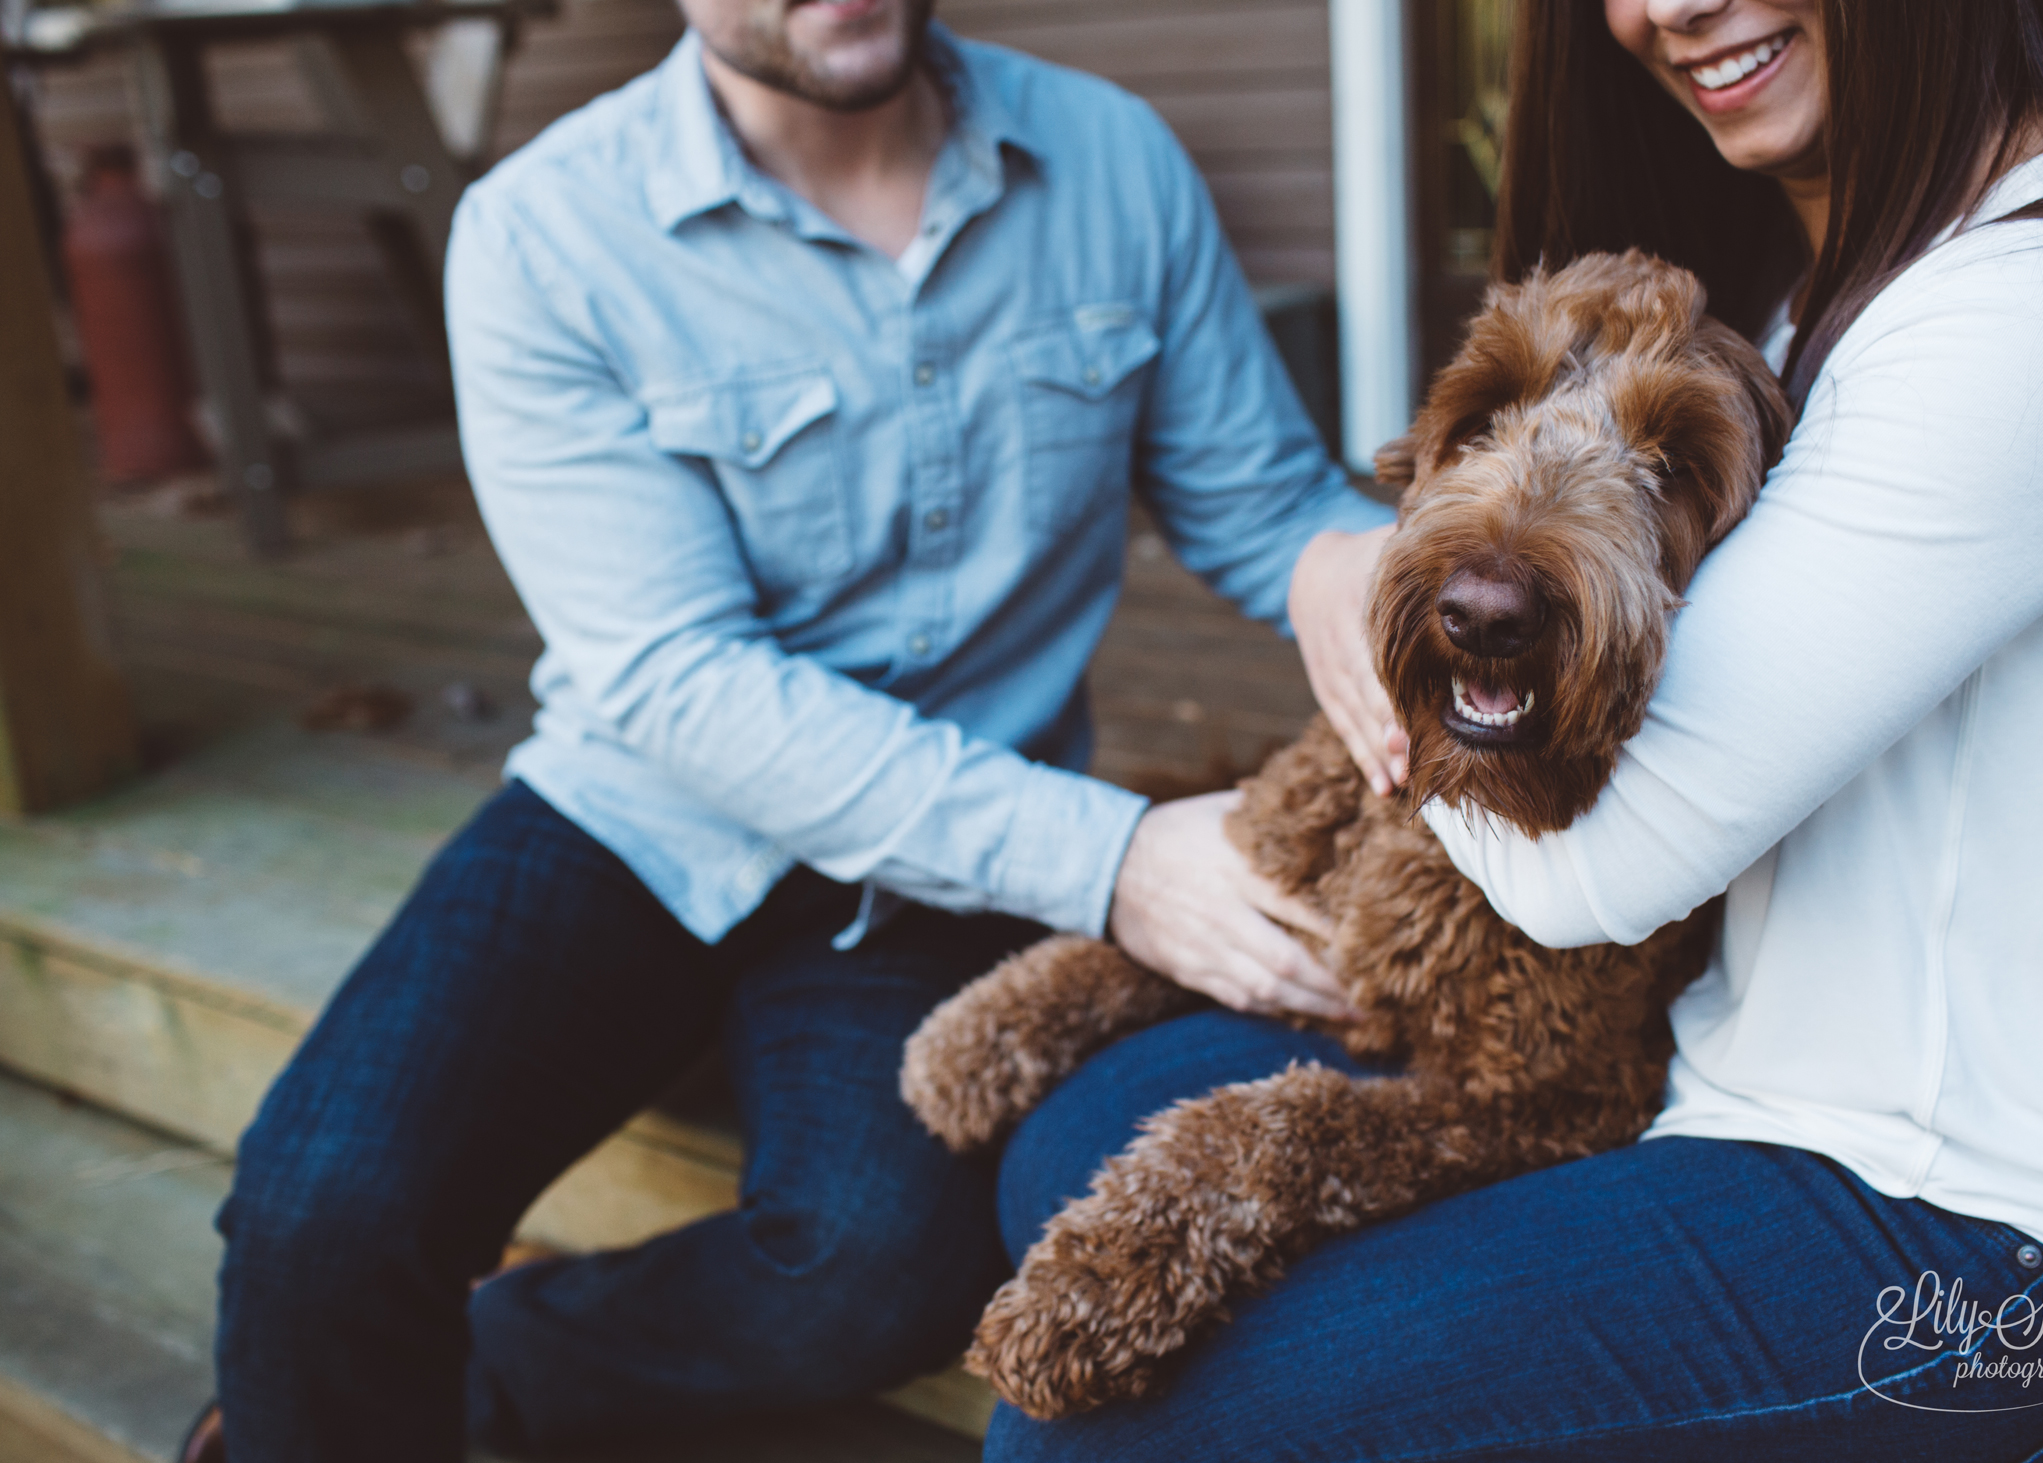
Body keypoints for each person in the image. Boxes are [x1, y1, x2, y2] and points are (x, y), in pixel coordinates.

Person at [191, 0, 1406, 1458]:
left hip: (949, 864)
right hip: (645, 816)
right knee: (323, 1207)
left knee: (858, 1277)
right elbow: (677, 677)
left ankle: (486, 1364)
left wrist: (1357, 564)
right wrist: (1120, 860)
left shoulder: (1110, 161)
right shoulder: (543, 230)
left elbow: (1265, 503)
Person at [984, 1, 2043, 1460]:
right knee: (1075, 1127)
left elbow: (1588, 867)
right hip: (1718, 1083)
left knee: (1098, 1438)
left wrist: (1371, 620)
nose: (1670, 4)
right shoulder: (1847, 290)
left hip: (1978, 1244)